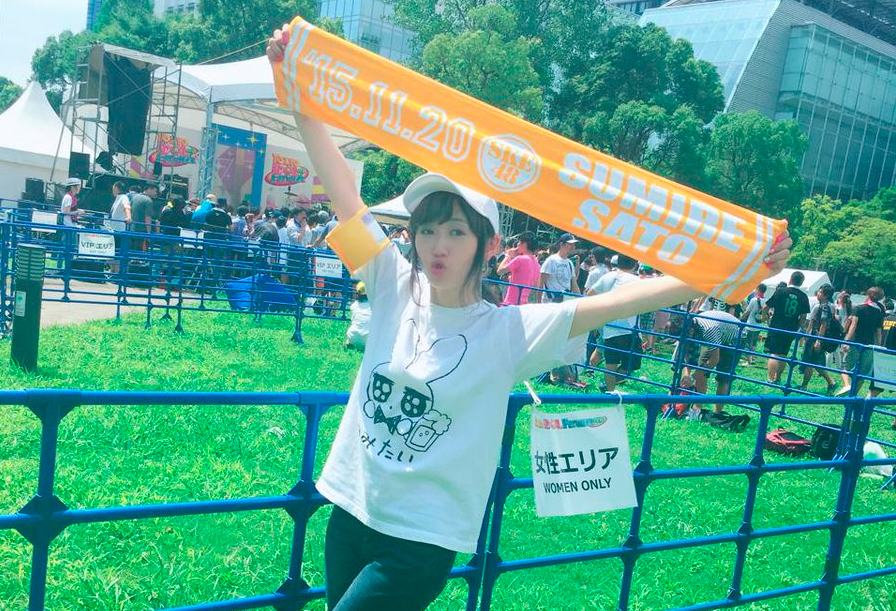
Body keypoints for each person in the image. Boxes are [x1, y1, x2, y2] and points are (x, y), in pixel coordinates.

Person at [266, 27, 792, 611]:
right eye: (427, 230)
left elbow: (621, 304)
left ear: (489, 245)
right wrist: (299, 93)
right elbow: (345, 195)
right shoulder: (394, 284)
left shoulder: (508, 332)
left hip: (422, 537)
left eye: (456, 231)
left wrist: (733, 270)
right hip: (351, 508)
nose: (437, 245)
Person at [587, 254, 643, 393]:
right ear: (634, 264)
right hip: (629, 328)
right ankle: (609, 387)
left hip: (610, 327)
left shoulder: (608, 276)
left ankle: (610, 390)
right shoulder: (636, 280)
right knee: (633, 363)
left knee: (611, 363)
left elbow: (590, 294)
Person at [683, 309, 742, 414]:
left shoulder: (708, 330)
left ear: (691, 330)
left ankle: (717, 412)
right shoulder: (691, 325)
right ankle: (697, 409)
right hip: (718, 334)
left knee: (723, 377)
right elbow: (686, 351)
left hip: (733, 339)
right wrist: (687, 375)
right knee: (701, 370)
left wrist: (692, 377)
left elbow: (714, 360)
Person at [836, 287, 886, 397]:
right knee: (862, 374)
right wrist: (878, 346)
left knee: (845, 366)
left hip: (855, 342)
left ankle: (847, 385)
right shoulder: (878, 312)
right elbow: (878, 332)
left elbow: (853, 326)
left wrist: (846, 341)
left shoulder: (858, 308)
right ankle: (852, 396)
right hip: (870, 345)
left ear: (868, 295)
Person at [763, 271, 810, 385]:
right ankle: (778, 377)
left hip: (776, 326)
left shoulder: (781, 291)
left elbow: (766, 307)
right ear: (801, 282)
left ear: (790, 279)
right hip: (791, 328)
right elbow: (803, 317)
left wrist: (766, 318)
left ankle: (770, 379)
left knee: (774, 353)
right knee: (783, 354)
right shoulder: (803, 296)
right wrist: (798, 327)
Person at [798, 284, 838, 394]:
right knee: (814, 362)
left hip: (815, 338)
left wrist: (816, 339)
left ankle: (806, 385)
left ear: (825, 295)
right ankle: (829, 382)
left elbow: (819, 324)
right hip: (822, 338)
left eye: (820, 292)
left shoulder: (820, 307)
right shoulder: (831, 306)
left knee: (810, 361)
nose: (817, 293)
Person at [496, 231, 540, 306]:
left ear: (525, 244)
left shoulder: (520, 259)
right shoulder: (537, 265)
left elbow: (499, 271)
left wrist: (507, 256)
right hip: (524, 304)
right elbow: (536, 285)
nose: (517, 244)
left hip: (511, 302)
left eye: (519, 242)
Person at [539, 233, 580, 302]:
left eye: (574, 244)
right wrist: (538, 302)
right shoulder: (551, 260)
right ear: (561, 244)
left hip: (564, 303)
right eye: (570, 244)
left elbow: (574, 285)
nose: (573, 247)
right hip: (550, 302)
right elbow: (540, 283)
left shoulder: (569, 263)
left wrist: (580, 300)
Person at [741, 283, 766, 365]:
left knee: (748, 343)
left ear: (758, 289)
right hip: (759, 325)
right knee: (754, 342)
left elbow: (747, 311)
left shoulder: (753, 300)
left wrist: (741, 318)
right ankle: (752, 358)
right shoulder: (766, 300)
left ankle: (749, 361)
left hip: (750, 324)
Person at [344, 281, 371, 350]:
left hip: (353, 337)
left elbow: (352, 321)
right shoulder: (374, 305)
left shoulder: (354, 306)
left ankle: (350, 343)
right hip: (369, 340)